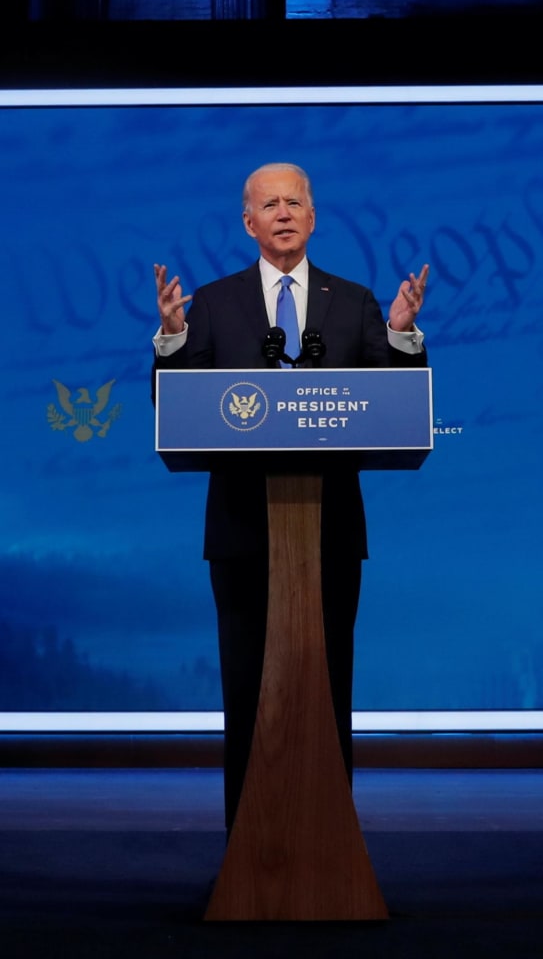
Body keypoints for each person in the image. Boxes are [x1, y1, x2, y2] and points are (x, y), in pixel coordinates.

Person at [153, 162, 429, 832]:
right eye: (268, 205)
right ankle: (248, 845)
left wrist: (399, 335)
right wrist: (171, 342)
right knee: (247, 689)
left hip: (330, 530)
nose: (283, 213)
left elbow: (393, 403)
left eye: (294, 203)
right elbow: (177, 407)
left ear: (313, 217)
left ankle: (328, 839)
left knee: (328, 686)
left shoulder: (355, 301)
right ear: (249, 223)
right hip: (243, 533)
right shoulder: (214, 304)